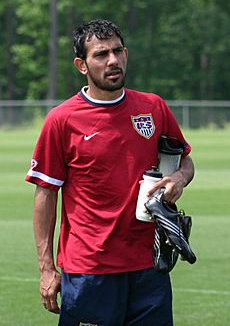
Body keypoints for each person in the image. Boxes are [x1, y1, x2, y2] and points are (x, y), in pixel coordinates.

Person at [25, 19, 195, 326]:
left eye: (117, 51)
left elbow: (184, 160)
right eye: (101, 54)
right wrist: (46, 268)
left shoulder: (153, 107)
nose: (113, 60)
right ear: (82, 65)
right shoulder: (62, 120)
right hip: (90, 270)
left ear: (127, 54)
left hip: (150, 267)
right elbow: (45, 193)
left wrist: (179, 179)